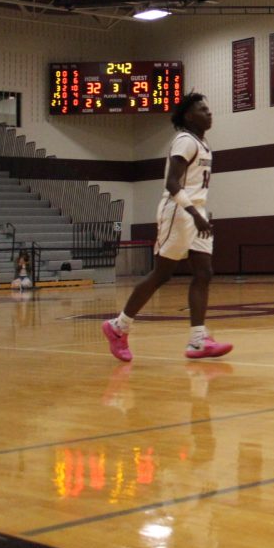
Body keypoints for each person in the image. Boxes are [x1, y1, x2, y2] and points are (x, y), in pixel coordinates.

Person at [101, 93, 229, 363]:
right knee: (162, 274)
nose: (209, 113)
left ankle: (198, 340)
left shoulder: (203, 144)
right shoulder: (184, 140)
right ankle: (118, 327)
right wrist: (194, 214)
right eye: (202, 109)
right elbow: (172, 184)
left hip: (196, 211)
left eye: (208, 108)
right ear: (188, 116)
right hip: (179, 211)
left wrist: (199, 213)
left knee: (204, 272)